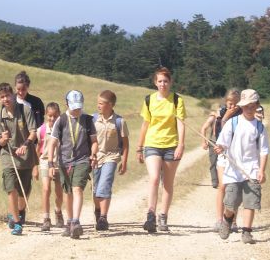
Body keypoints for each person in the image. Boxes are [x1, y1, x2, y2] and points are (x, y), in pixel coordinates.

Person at [214, 89, 270, 244]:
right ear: (241, 106)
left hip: (251, 170)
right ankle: (227, 219)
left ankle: (247, 232)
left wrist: (262, 170)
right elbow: (222, 142)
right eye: (245, 106)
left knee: (250, 202)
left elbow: (264, 151)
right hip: (233, 171)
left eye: (252, 106)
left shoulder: (260, 128)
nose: (249, 109)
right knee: (231, 202)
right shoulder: (233, 123)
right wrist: (220, 147)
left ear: (257, 105)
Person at [136, 67, 186, 233]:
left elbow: (180, 123)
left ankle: (163, 215)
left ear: (170, 82)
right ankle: (151, 213)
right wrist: (139, 146)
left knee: (168, 183)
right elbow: (145, 124)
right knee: (154, 178)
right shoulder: (149, 100)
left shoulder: (177, 100)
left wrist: (181, 144)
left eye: (165, 81)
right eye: (160, 81)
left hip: (171, 145)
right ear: (155, 83)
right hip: (152, 144)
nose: (163, 84)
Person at [45, 90, 98, 239]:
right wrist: (50, 163)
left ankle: (76, 221)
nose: (76, 110)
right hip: (64, 162)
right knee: (67, 193)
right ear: (67, 104)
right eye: (73, 107)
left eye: (79, 107)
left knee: (77, 189)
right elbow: (53, 142)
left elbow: (94, 142)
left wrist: (93, 154)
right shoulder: (60, 120)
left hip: (82, 160)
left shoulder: (88, 120)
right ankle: (69, 222)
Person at [0, 82, 38, 236]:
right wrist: (3, 140)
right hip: (9, 156)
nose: (5, 99)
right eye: (2, 97)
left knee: (24, 191)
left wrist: (26, 144)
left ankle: (19, 211)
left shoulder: (25, 110)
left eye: (7, 95)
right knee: (10, 187)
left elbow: (33, 132)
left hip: (25, 156)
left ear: (13, 95)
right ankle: (17, 222)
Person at [200, 89, 242, 232]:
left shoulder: (242, 115)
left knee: (235, 189)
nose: (232, 107)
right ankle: (219, 220)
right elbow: (220, 132)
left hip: (237, 155)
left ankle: (233, 221)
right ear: (226, 102)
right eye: (230, 104)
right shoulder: (220, 113)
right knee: (222, 187)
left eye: (235, 104)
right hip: (222, 153)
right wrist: (224, 116)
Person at [92, 90, 129, 231]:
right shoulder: (93, 119)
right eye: (98, 103)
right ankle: (97, 211)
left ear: (111, 105)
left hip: (111, 157)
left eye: (101, 103)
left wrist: (124, 162)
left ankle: (103, 217)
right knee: (95, 189)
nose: (98, 106)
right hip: (96, 158)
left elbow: (125, 144)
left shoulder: (119, 121)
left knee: (105, 185)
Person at [36, 102, 65, 231]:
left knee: (59, 193)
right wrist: (36, 166)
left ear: (59, 115)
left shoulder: (63, 129)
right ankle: (46, 218)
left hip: (59, 163)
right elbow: (38, 149)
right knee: (46, 189)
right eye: (50, 116)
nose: (52, 119)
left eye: (55, 116)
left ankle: (58, 211)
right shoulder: (41, 130)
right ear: (46, 115)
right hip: (45, 161)